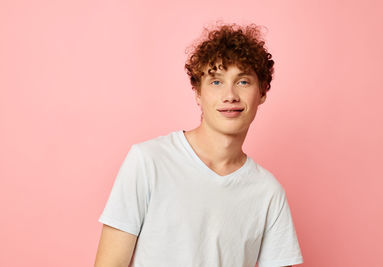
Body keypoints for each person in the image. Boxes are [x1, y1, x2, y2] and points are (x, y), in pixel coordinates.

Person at [94, 22, 303, 267]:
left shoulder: (268, 192)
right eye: (216, 82)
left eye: (243, 81)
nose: (230, 95)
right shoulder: (148, 161)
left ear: (263, 92)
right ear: (197, 92)